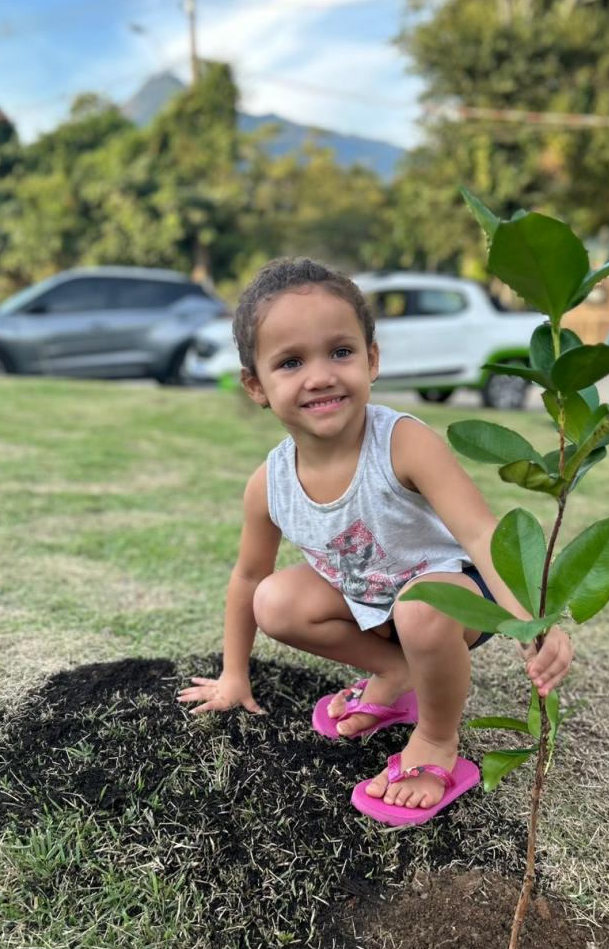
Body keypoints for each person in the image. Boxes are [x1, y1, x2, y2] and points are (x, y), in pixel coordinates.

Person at [177, 257, 573, 825]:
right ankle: (397, 673)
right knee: (275, 601)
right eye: (290, 362)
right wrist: (234, 674)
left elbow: (482, 534)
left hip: (457, 599)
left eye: (340, 352)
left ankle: (437, 738)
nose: (320, 376)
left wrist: (529, 620)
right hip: (374, 606)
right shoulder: (269, 484)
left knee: (421, 610)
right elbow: (247, 578)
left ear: (373, 358)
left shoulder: (404, 443)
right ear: (256, 385)